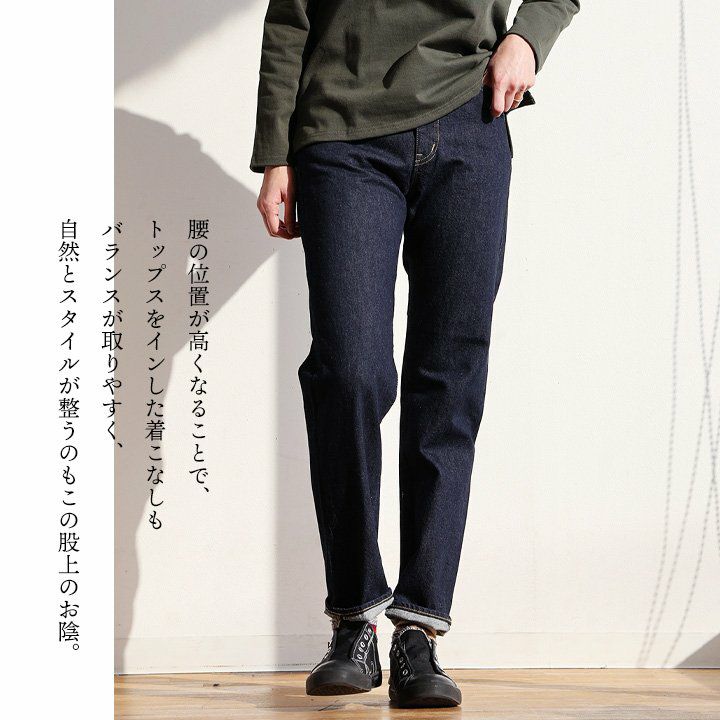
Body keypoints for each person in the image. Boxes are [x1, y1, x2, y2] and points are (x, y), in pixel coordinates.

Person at [251, 0, 579, 708]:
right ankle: (353, 618)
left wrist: (529, 38)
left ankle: (420, 630)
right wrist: (276, 149)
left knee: (449, 379)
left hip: (469, 123)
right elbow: (289, 17)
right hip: (342, 133)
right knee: (348, 372)